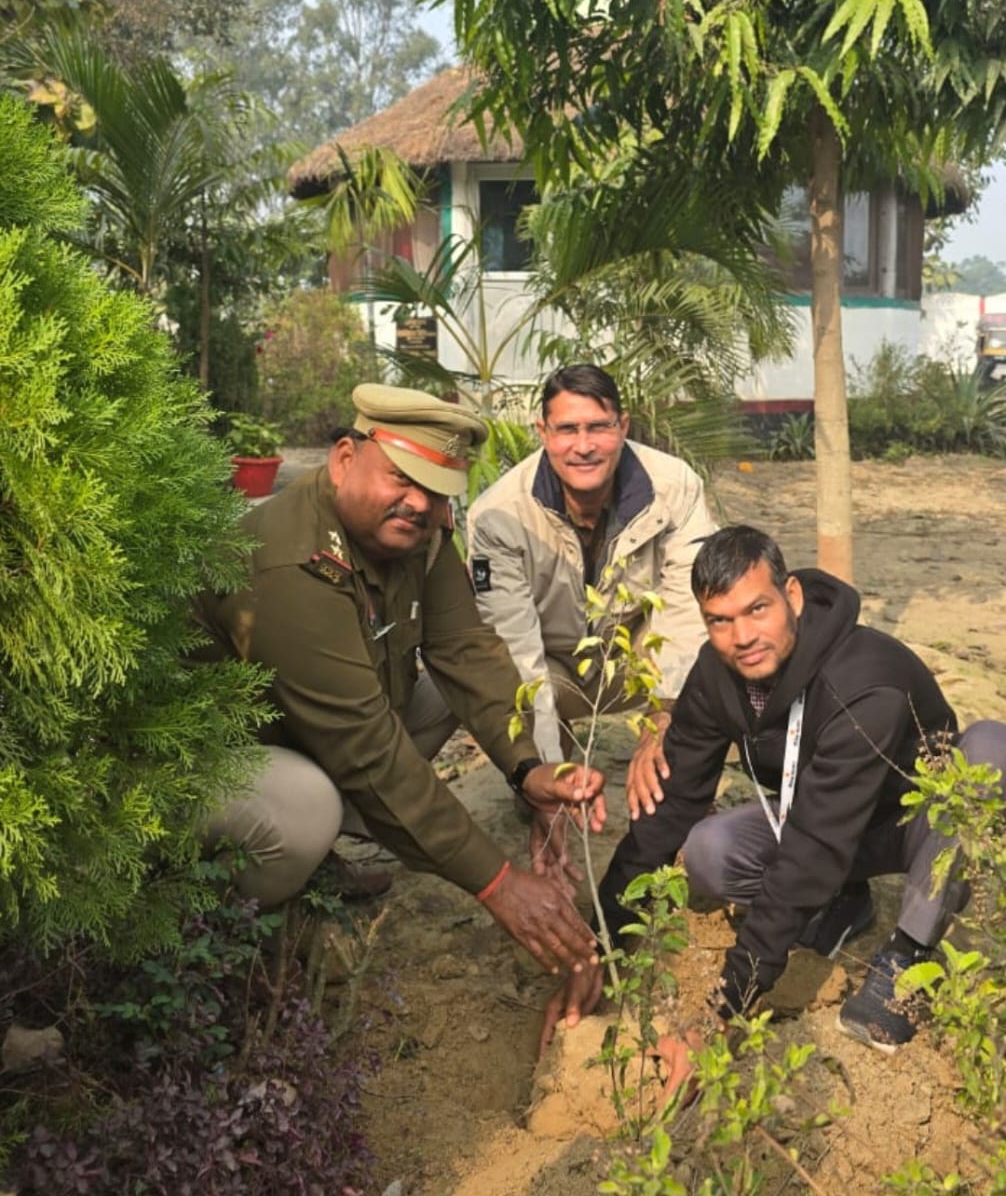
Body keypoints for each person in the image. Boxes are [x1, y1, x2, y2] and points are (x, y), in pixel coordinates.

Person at [541, 524, 1006, 1076]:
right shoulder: (719, 675)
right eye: (721, 620)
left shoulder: (863, 683)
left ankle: (908, 954)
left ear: (792, 596)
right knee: (708, 849)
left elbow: (812, 849)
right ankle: (844, 901)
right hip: (820, 821)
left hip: (910, 827)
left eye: (757, 609)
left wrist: (725, 1007)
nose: (742, 636)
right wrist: (599, 945)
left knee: (989, 751)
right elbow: (671, 808)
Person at [192, 383, 606, 977]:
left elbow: (466, 651)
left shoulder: (417, 536)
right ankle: (237, 919)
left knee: (444, 692)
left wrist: (528, 770)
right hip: (200, 770)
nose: (420, 503)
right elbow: (367, 751)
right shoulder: (289, 563)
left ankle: (317, 863)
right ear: (343, 459)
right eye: (402, 479)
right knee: (305, 811)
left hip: (303, 733)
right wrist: (498, 883)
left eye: (438, 491)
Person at [466, 364, 716, 784]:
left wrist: (664, 719)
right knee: (492, 676)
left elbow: (688, 611)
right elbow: (518, 654)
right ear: (542, 433)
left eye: (598, 427)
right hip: (555, 668)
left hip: (633, 658)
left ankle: (688, 784)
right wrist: (547, 777)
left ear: (622, 427)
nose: (583, 446)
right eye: (566, 429)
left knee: (726, 632)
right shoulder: (498, 516)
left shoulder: (675, 487)